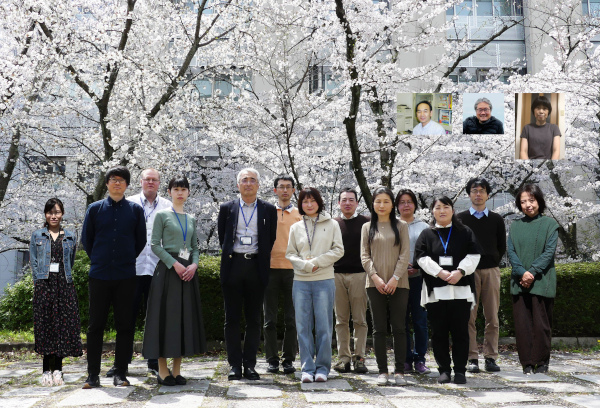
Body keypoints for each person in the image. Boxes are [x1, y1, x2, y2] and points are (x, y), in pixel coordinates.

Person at [81, 166, 146, 389]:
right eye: (112, 179)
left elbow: (140, 241)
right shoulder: (94, 209)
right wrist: (100, 259)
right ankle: (92, 375)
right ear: (107, 183)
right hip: (99, 274)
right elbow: (87, 241)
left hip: (126, 275)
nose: (116, 183)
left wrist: (125, 259)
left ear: (127, 185)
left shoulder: (135, 211)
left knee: (125, 326)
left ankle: (120, 372)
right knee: (95, 325)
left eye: (121, 180)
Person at [143, 176, 206, 386]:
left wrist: (194, 265)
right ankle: (162, 369)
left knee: (182, 318)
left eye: (183, 189)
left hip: (187, 273)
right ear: (169, 192)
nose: (180, 193)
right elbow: (154, 245)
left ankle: (177, 369)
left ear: (188, 193)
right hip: (168, 272)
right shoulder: (162, 215)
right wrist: (175, 264)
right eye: (176, 189)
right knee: (164, 318)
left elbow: (195, 248)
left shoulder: (191, 218)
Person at [109, 169, 170, 377]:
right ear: (141, 182)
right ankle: (121, 363)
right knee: (125, 318)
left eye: (154, 179)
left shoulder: (167, 206)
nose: (150, 182)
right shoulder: (129, 203)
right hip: (131, 270)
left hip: (158, 269)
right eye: (147, 179)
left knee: (155, 318)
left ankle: (155, 362)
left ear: (159, 183)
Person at [218, 168, 277, 381]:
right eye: (244, 180)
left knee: (254, 319)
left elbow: (270, 238)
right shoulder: (227, 208)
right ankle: (234, 365)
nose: (248, 183)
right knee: (231, 319)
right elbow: (222, 236)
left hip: (256, 266)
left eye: (253, 180)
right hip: (233, 266)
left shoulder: (268, 209)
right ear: (238, 185)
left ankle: (250, 365)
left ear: (259, 185)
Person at [414, 196, 481, 385]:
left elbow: (474, 255)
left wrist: (460, 271)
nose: (442, 211)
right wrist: (440, 272)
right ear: (432, 211)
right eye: (437, 207)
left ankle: (460, 370)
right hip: (437, 290)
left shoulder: (465, 232)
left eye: (446, 207)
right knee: (439, 332)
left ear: (453, 210)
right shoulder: (427, 234)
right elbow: (421, 258)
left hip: (461, 289)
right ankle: (443, 369)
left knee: (460, 331)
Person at [286, 187, 344, 383]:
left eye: (312, 200)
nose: (309, 204)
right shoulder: (295, 227)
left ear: (319, 202)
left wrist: (316, 263)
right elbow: (290, 254)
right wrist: (305, 265)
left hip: (324, 279)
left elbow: (338, 250)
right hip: (301, 281)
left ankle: (322, 368)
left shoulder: (332, 224)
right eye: (304, 201)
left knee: (324, 327)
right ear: (301, 204)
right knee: (302, 326)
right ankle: (306, 368)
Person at [30, 198, 83, 387]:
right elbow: (34, 262)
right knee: (46, 325)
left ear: (62, 214)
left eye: (58, 212)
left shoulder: (69, 236)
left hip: (64, 284)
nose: (54, 215)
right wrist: (39, 283)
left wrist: (64, 277)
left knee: (62, 326)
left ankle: (58, 369)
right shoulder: (37, 235)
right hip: (44, 285)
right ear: (45, 214)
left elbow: (72, 260)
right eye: (51, 212)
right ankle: (46, 369)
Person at [361, 187, 411, 386]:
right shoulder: (367, 227)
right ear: (373, 204)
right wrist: (376, 277)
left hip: (399, 283)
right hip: (374, 284)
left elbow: (405, 254)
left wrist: (395, 278)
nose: (381, 205)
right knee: (379, 329)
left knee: (399, 327)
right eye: (378, 201)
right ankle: (382, 371)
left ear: (392, 204)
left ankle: (399, 371)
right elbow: (364, 256)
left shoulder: (401, 226)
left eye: (386, 201)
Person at [507, 184, 559, 374]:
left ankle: (542, 362)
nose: (528, 205)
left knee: (542, 325)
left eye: (531, 200)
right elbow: (511, 253)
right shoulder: (515, 226)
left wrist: (532, 273)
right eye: (523, 202)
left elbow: (549, 253)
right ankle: (527, 363)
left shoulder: (550, 225)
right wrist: (522, 273)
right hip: (519, 283)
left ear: (539, 201)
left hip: (542, 282)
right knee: (523, 326)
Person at [457, 178, 506, 373]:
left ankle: (491, 357)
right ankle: (472, 357)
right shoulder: (460, 219)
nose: (478, 194)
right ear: (469, 194)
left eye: (482, 191)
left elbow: (501, 246)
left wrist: (492, 261)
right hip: (468, 272)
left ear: (488, 194)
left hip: (490, 270)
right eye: (474, 190)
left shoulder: (496, 219)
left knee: (492, 316)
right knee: (469, 316)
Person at [264, 175, 302, 375]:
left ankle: (289, 359)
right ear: (275, 190)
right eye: (281, 187)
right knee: (269, 319)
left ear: (294, 190)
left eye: (288, 187)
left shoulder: (299, 214)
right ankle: (271, 359)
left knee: (291, 318)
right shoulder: (267, 212)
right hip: (269, 270)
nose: (285, 190)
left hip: (293, 271)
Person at [332, 188, 370, 374]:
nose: (347, 203)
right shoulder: (332, 223)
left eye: (351, 200)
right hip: (336, 275)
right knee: (341, 320)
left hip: (359, 275)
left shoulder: (366, 222)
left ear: (357, 203)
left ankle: (360, 358)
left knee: (360, 319)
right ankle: (343, 358)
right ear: (339, 203)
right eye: (344, 200)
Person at [395, 189, 430, 375]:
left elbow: (428, 251)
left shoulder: (423, 226)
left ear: (415, 204)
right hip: (398, 280)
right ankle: (405, 359)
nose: (406, 205)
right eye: (402, 202)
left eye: (409, 201)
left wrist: (417, 266)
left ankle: (420, 359)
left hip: (418, 278)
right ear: (397, 205)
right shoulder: (392, 225)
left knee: (419, 321)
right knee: (401, 322)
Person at [519, 95, 561, 159]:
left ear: (548, 111)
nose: (541, 111)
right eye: (538, 108)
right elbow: (523, 152)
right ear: (533, 111)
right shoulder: (527, 128)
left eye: (544, 108)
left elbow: (556, 151)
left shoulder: (554, 128)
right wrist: (529, 167)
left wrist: (550, 167)